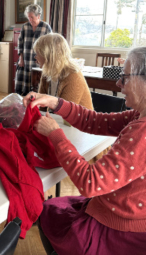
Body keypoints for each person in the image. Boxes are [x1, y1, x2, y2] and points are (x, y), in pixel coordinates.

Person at [23, 47, 146, 255]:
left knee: (49, 214)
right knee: (51, 210)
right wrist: (55, 102)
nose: (118, 84)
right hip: (121, 211)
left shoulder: (141, 133)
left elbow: (91, 183)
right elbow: (95, 121)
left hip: (119, 227)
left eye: (124, 78)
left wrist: (56, 135)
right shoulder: (138, 116)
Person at [34, 33, 93, 110]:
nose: (35, 57)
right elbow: (42, 106)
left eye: (38, 53)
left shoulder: (73, 77)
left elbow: (66, 113)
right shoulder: (47, 73)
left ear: (48, 56)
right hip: (56, 119)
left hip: (74, 121)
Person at [15, 4, 52, 96]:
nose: (30, 20)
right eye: (28, 17)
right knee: (22, 88)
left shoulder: (45, 27)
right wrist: (21, 58)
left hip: (38, 62)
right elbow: (20, 43)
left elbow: (51, 45)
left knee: (37, 87)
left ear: (38, 16)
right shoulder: (25, 26)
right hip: (25, 61)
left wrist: (46, 61)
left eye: (32, 17)